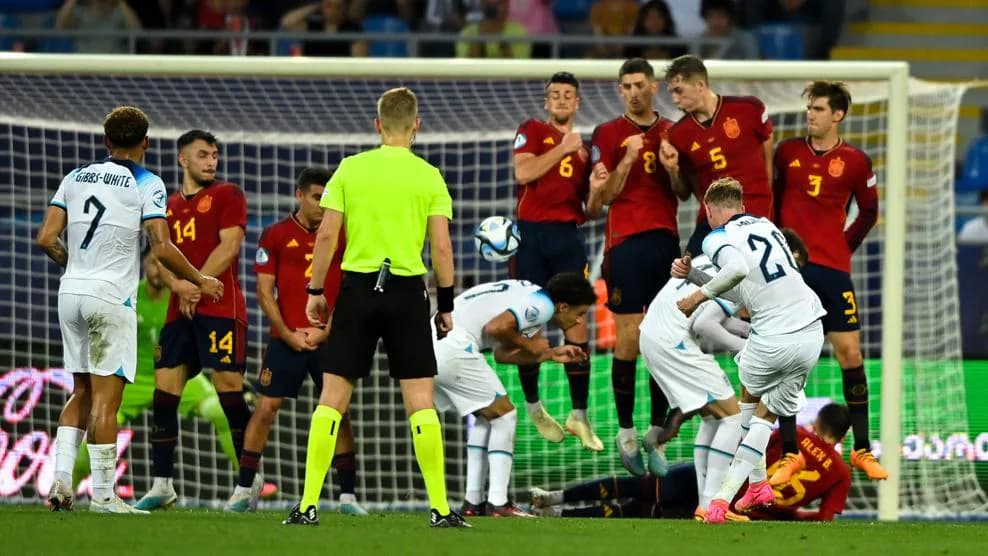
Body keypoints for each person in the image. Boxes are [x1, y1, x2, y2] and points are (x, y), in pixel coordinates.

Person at [284, 87, 464, 527]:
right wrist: (446, 303)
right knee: (420, 401)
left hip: (359, 289)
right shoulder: (429, 176)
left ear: (377, 124)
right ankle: (440, 509)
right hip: (406, 291)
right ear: (416, 125)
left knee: (332, 397)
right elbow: (441, 246)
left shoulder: (350, 169)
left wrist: (314, 291)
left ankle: (308, 505)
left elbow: (326, 236)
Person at [38, 106, 222, 513]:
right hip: (111, 297)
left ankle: (61, 484)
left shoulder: (75, 176)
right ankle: (103, 495)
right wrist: (199, 279)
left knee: (81, 390)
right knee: (107, 400)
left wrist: (77, 269)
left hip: (70, 293)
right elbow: (161, 246)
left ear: (106, 141)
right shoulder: (148, 183)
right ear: (146, 143)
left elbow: (46, 237)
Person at [672, 177, 825, 524]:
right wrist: (695, 275)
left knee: (748, 405)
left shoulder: (716, 237)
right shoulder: (767, 227)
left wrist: (697, 295)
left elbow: (737, 270)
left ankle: (720, 500)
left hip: (772, 337)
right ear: (742, 207)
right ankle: (757, 485)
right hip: (812, 332)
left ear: (709, 211)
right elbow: (745, 291)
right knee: (763, 416)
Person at [224, 168, 366, 515]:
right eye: (318, 197)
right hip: (285, 340)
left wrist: (326, 331)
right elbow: (263, 290)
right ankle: (244, 488)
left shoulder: (343, 235)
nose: (324, 204)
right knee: (265, 409)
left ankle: (347, 497)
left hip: (330, 339)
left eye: (329, 197)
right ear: (300, 196)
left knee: (339, 412)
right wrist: (287, 333)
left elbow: (350, 288)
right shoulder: (275, 235)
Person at [773, 81, 886, 481]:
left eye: (819, 109)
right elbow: (771, 204)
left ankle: (861, 449)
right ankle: (789, 452)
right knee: (788, 357)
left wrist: (843, 247)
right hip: (791, 270)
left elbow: (869, 212)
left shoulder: (856, 161)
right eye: (810, 109)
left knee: (850, 355)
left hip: (833, 269)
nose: (811, 114)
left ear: (837, 115)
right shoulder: (786, 153)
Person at [74, 255, 256, 499]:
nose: (157, 272)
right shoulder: (129, 296)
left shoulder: (180, 298)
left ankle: (249, 482)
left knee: (218, 411)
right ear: (145, 265)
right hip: (135, 378)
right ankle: (68, 487)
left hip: (175, 374)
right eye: (152, 264)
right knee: (99, 422)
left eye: (163, 266)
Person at [136, 129, 251, 511]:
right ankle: (163, 484)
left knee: (229, 390)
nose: (211, 161)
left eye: (214, 154)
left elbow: (230, 246)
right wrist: (180, 287)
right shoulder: (165, 204)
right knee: (164, 394)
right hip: (179, 308)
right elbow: (158, 256)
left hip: (219, 307)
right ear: (183, 159)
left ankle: (248, 483)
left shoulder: (227, 194)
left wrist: (195, 285)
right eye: (203, 154)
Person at [589, 57, 684, 478]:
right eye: (626, 86)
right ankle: (625, 431)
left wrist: (673, 169)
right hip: (624, 244)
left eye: (640, 84)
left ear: (654, 88)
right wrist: (626, 161)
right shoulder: (607, 134)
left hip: (665, 242)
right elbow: (605, 196)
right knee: (628, 338)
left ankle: (655, 434)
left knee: (663, 337)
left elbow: (682, 194)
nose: (633, 92)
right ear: (620, 91)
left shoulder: (674, 132)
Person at [529, 403, 853, 522]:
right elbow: (824, 519)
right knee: (643, 511)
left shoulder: (795, 434)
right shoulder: (841, 473)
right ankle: (556, 513)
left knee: (641, 486)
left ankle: (554, 499)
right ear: (840, 436)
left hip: (714, 484)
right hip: (735, 512)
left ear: (817, 423)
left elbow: (745, 443)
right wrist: (788, 512)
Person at [439, 274, 597, 517]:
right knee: (506, 416)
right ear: (563, 306)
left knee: (488, 418)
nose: (578, 321)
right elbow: (497, 328)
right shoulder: (543, 306)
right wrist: (531, 346)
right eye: (579, 313)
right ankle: (499, 503)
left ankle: (473, 502)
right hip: (453, 343)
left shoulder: (529, 298)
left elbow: (502, 354)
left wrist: (550, 354)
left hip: (437, 342)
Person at [510, 71, 602, 451]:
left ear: (577, 103)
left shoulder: (587, 147)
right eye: (555, 95)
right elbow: (523, 171)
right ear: (547, 102)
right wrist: (562, 148)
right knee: (531, 327)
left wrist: (597, 189)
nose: (562, 100)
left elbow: (592, 210)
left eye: (568, 95)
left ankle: (579, 416)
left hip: (567, 237)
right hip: (531, 236)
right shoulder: (532, 130)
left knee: (576, 324)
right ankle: (534, 407)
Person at [639, 254, 749, 520]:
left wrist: (750, 330)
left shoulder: (709, 259)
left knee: (713, 420)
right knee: (733, 418)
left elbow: (714, 317)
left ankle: (705, 505)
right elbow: (705, 325)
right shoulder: (740, 271)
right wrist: (749, 349)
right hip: (673, 343)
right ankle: (713, 505)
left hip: (653, 338)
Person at [660, 54, 775, 256]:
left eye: (679, 91)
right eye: (671, 93)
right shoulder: (677, 135)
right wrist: (673, 171)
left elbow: (768, 160)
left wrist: (765, 202)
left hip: (754, 213)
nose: (675, 100)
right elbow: (685, 192)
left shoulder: (749, 109)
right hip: (712, 220)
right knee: (685, 276)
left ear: (700, 85)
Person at [279, 0, 368, 57]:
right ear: (323, 7)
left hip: (341, 80)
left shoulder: (354, 30)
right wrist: (315, 7)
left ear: (345, 8)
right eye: (329, 5)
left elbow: (360, 61)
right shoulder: (312, 26)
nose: (334, 10)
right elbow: (286, 22)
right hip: (311, 78)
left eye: (338, 7)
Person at [55, 0, 142, 54]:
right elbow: (60, 27)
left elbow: (137, 32)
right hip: (85, 67)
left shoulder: (119, 13)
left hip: (114, 68)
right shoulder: (79, 12)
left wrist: (120, 2)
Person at [456, 0, 531, 59]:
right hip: (478, 78)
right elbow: (467, 72)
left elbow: (518, 73)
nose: (493, 8)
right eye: (488, 4)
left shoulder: (520, 33)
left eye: (498, 3)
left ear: (507, 5)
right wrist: (480, 36)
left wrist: (501, 40)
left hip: (506, 78)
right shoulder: (467, 33)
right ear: (481, 5)